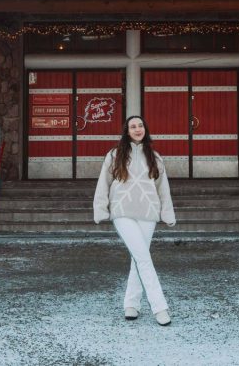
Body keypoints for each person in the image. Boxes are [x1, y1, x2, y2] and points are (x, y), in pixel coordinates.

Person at [93, 115, 176, 326]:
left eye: (140, 125)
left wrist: (167, 213)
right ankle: (160, 307)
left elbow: (163, 188)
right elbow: (103, 183)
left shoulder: (155, 157)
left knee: (138, 258)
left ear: (145, 129)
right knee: (143, 259)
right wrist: (101, 209)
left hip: (148, 213)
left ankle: (131, 304)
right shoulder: (115, 155)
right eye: (133, 126)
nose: (137, 129)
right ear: (127, 131)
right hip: (123, 212)